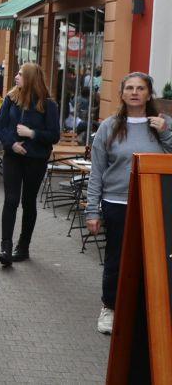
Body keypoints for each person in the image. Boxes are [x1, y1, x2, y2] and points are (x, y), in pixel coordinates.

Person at [86, 73, 172, 334]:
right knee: (117, 259)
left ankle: (148, 314)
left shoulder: (163, 124)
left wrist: (166, 134)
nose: (135, 93)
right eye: (130, 88)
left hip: (154, 203)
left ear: (149, 93)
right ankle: (109, 308)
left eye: (141, 88)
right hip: (116, 203)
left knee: (153, 260)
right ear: (122, 94)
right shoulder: (109, 126)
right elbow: (97, 171)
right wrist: (92, 210)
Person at [0, 62, 60, 267]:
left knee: (28, 202)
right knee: (11, 200)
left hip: (36, 160)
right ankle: (5, 248)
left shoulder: (48, 105)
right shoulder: (11, 98)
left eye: (20, 74)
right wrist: (11, 144)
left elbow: (54, 135)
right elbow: (0, 126)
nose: (16, 77)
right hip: (13, 157)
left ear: (30, 78)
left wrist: (32, 134)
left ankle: (23, 247)